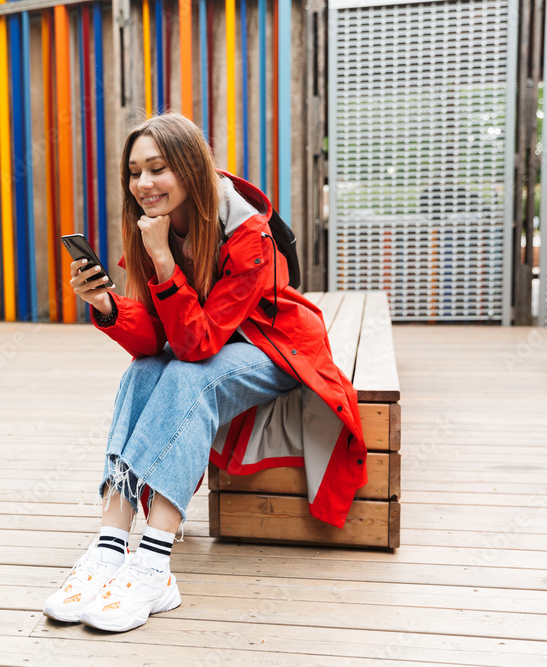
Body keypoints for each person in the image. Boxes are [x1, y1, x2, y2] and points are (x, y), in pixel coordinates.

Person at [43, 113, 366, 632]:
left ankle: (151, 565)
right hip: (213, 343)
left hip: (274, 345)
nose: (143, 184)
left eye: (158, 168)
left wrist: (165, 263)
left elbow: (196, 346)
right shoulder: (155, 226)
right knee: (144, 370)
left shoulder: (246, 232)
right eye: (133, 172)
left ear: (191, 168)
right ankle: (107, 549)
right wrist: (106, 305)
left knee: (185, 377)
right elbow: (157, 338)